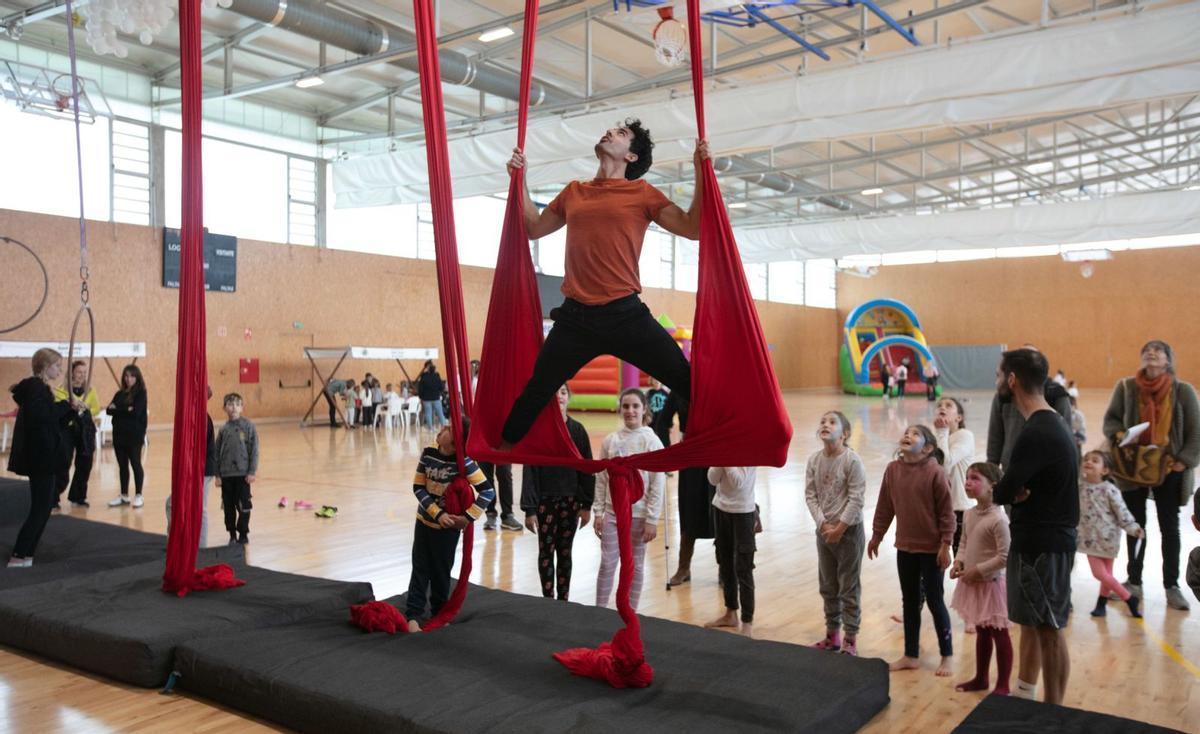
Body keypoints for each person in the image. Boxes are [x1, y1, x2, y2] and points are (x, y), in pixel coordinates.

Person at [498, 121, 710, 449]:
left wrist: (701, 171)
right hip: (575, 318)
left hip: (626, 315)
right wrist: (520, 180)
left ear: (632, 155)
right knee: (536, 391)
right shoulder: (574, 191)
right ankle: (498, 452)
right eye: (610, 130)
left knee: (689, 381)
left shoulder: (642, 193)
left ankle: (716, 443)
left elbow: (693, 228)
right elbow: (534, 228)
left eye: (621, 134)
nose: (609, 132)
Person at [990, 348, 1079, 706]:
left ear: (1012, 380)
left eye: (999, 375)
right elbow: (1013, 490)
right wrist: (1015, 491)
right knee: (1033, 623)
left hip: (1045, 544)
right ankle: (1025, 694)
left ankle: (1054, 711)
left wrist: (1012, 491)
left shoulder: (1037, 432)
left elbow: (1002, 490)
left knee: (1050, 629)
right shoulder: (1050, 422)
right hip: (1040, 540)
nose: (997, 381)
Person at [1103, 339, 1199, 612]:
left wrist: (1184, 461)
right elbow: (1111, 422)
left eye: (1158, 351)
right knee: (1135, 526)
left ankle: (1172, 586)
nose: (1151, 354)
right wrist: (1122, 436)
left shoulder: (1183, 391)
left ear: (1168, 360)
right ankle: (1134, 581)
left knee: (1169, 529)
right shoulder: (1126, 388)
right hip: (1133, 469)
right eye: (1146, 351)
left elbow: (1196, 432)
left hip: (1170, 470)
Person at [868, 424, 955, 676]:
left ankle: (947, 655)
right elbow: (885, 505)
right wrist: (877, 535)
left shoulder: (935, 473)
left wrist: (946, 544)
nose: (908, 435)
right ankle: (910, 655)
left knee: (935, 601)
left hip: (931, 550)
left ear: (928, 448)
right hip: (905, 547)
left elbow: (947, 514)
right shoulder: (893, 470)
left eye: (915, 434)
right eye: (907, 432)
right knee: (910, 602)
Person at [406, 418, 494, 631]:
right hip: (424, 522)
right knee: (420, 567)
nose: (442, 429)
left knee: (441, 571)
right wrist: (437, 514)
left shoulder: (464, 464)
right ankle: (413, 614)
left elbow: (488, 491)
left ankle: (439, 613)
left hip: (446, 532)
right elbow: (418, 487)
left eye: (448, 429)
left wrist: (467, 517)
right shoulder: (428, 454)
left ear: (456, 441)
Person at [520, 384, 595, 600]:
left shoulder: (578, 431)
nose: (558, 397)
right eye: (554, 393)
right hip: (545, 501)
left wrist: (586, 505)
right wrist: (530, 509)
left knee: (565, 553)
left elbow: (587, 468)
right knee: (546, 551)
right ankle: (548, 598)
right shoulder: (539, 431)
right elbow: (530, 471)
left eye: (562, 392)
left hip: (570, 501)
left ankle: (564, 598)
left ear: (569, 398)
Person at [593, 388, 664, 612]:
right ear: (620, 409)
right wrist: (598, 512)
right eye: (626, 406)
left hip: (640, 516)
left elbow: (657, 483)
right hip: (613, 514)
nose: (630, 411)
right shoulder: (611, 441)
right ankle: (600, 610)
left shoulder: (652, 441)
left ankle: (629, 613)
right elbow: (602, 479)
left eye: (635, 406)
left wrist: (652, 518)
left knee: (635, 564)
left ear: (644, 410)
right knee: (607, 562)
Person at [806, 411, 867, 656]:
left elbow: (856, 498)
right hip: (824, 532)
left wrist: (840, 527)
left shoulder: (852, 461)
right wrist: (823, 525)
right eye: (822, 421)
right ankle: (832, 635)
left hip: (849, 532)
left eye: (832, 422)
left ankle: (850, 638)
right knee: (828, 584)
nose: (825, 425)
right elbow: (810, 495)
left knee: (848, 586)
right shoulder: (813, 460)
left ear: (845, 434)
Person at [6, 348, 75, 567]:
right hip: (40, 457)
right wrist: (66, 405)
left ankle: (27, 554)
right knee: (40, 508)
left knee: (44, 507)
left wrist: (72, 412)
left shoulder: (41, 390)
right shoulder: (36, 388)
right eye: (57, 366)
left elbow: (53, 423)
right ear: (45, 366)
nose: (60, 370)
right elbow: (41, 417)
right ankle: (19, 554)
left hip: (46, 456)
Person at [949, 462, 1013, 696]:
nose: (968, 482)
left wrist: (979, 570)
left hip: (992, 585)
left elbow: (1005, 556)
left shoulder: (999, 519)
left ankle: (1003, 684)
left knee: (999, 632)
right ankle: (981, 678)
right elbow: (964, 543)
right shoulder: (969, 513)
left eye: (975, 478)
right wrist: (959, 562)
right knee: (982, 631)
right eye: (967, 477)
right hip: (973, 582)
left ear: (992, 487)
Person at [1078, 450, 1143, 618]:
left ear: (1105, 470)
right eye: (1086, 459)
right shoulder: (1079, 486)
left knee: (1101, 574)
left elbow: (1122, 512)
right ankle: (1101, 604)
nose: (1089, 462)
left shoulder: (1110, 490)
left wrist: (1133, 528)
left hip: (1109, 537)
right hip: (1089, 539)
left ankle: (1128, 598)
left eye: (1095, 461)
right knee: (1106, 574)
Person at [986, 344, 1072, 469]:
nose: (996, 382)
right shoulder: (1002, 397)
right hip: (1011, 468)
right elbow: (995, 436)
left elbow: (1066, 445)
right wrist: (991, 469)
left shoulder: (1057, 399)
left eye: (998, 376)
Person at [704, 466, 759, 638]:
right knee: (725, 563)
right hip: (720, 508)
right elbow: (712, 479)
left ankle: (747, 622)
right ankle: (730, 613)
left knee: (744, 568)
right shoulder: (724, 448)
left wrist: (725, 460)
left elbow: (738, 483)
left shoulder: (748, 449)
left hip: (743, 512)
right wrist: (720, 460)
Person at [165, 385, 216, 550]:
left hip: (203, 471)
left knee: (200, 509)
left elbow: (198, 449)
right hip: (190, 469)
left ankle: (201, 547)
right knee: (172, 503)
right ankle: (176, 541)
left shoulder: (202, 418)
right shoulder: (191, 415)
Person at [52, 360, 100, 509]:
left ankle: (78, 496)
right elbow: (59, 408)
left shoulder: (90, 390)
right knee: (63, 462)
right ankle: (53, 498)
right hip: (68, 429)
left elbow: (96, 408)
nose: (82, 375)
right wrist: (72, 405)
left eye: (84, 373)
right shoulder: (62, 390)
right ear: (72, 372)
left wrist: (85, 408)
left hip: (85, 429)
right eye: (79, 372)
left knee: (85, 463)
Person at [934, 397, 976, 555]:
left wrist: (942, 432)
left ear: (958, 418)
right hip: (942, 510)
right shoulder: (940, 437)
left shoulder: (965, 435)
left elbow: (945, 465)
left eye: (948, 405)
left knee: (963, 563)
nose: (942, 407)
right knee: (937, 561)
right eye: (939, 405)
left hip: (961, 510)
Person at [215, 393, 258, 545]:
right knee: (228, 506)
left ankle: (243, 532)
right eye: (230, 404)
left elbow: (254, 450)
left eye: (237, 404)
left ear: (242, 407)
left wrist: (251, 471)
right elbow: (216, 453)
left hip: (243, 475)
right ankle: (232, 534)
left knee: (244, 505)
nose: (233, 407)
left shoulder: (248, 426)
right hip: (226, 476)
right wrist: (217, 475)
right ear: (224, 408)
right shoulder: (223, 429)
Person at [105, 364, 148, 508]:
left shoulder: (141, 394)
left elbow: (135, 413)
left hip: (134, 436)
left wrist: (118, 409)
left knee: (135, 463)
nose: (128, 379)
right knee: (122, 466)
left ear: (137, 377)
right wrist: (125, 410)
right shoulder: (119, 394)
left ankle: (139, 495)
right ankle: (124, 495)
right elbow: (108, 411)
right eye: (126, 376)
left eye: (132, 376)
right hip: (119, 435)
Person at [480, 461, 518, 532]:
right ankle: (490, 513)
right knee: (485, 477)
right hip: (484, 450)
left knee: (505, 473)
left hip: (504, 450)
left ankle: (507, 515)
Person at [417, 360, 446, 431]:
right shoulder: (437, 376)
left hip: (426, 399)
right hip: (436, 397)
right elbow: (441, 387)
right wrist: (439, 392)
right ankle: (444, 427)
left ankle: (430, 428)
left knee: (428, 413)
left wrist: (421, 396)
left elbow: (420, 388)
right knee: (440, 413)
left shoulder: (423, 376)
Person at [646, 378, 669, 447]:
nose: (656, 381)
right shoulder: (649, 393)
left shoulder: (665, 393)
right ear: (651, 381)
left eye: (658, 379)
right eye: (654, 379)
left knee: (664, 439)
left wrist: (670, 424)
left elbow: (669, 409)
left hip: (662, 420)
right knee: (652, 439)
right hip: (652, 420)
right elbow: (646, 406)